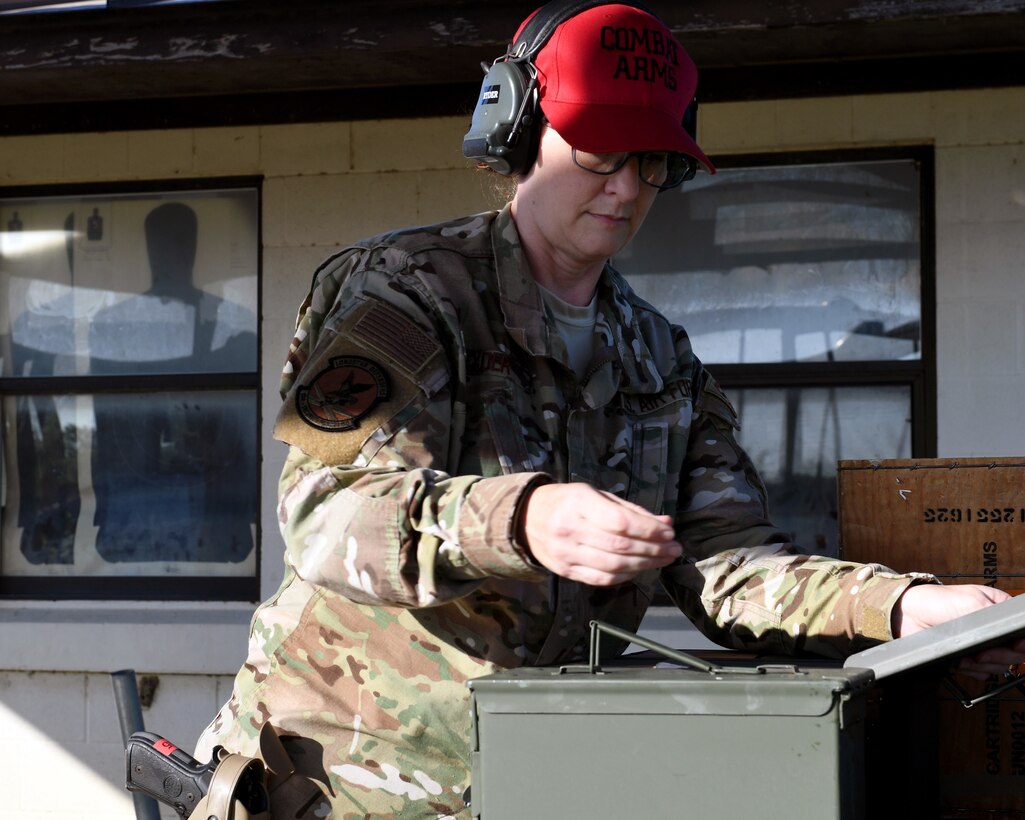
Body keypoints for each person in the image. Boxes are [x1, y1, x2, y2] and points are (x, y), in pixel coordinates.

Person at [196, 3, 1025, 817]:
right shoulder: (401, 293)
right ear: (519, 134)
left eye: (652, 159)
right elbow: (323, 516)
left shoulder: (661, 359)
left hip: (540, 780)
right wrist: (522, 519)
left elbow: (730, 570)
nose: (625, 186)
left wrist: (907, 611)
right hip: (336, 784)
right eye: (596, 149)